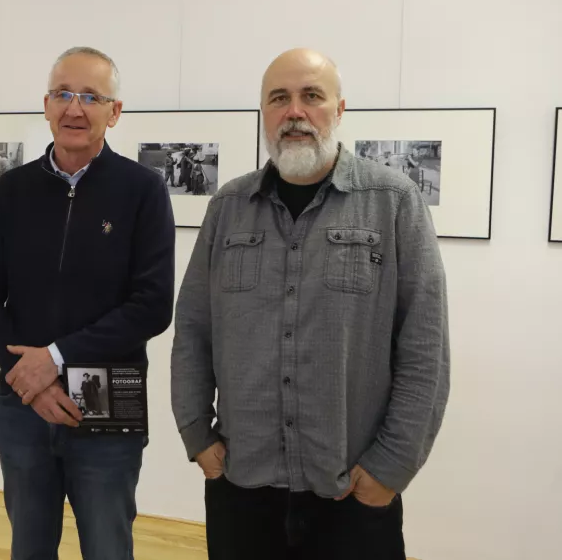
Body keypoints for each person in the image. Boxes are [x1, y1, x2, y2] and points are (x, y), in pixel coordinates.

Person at [171, 48, 450, 559]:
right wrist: (197, 435)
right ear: (264, 114)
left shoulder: (394, 201)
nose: (294, 111)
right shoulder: (228, 207)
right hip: (242, 484)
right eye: (279, 98)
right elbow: (192, 327)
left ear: (339, 109)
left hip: (352, 490)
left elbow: (425, 346)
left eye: (311, 96)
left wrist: (391, 466)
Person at [0, 46, 176, 559]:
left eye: (90, 97)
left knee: (107, 545)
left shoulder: (142, 190)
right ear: (46, 104)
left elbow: (151, 306)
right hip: (22, 401)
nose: (74, 108)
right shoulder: (13, 189)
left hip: (108, 395)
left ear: (114, 112)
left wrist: (53, 358)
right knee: (30, 545)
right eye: (62, 94)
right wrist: (27, 377)